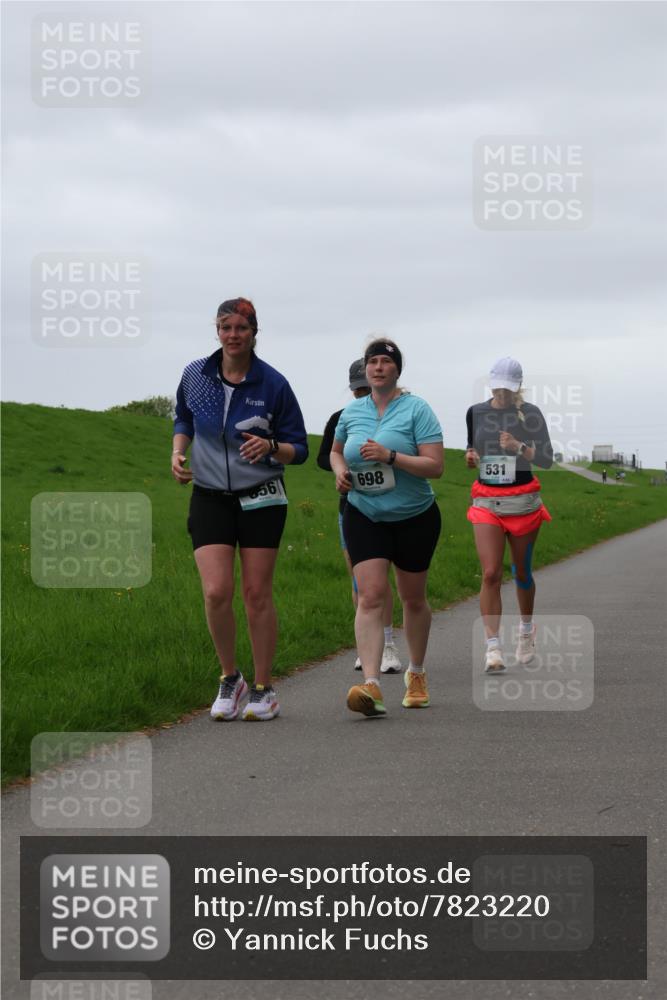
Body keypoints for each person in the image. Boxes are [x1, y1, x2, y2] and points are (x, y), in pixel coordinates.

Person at [172, 297, 308, 721]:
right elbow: (183, 418)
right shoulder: (195, 374)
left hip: (261, 496)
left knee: (255, 593)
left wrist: (270, 447)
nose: (233, 335)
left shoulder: (273, 384)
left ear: (254, 333)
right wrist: (178, 452)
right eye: (226, 327)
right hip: (210, 495)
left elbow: (299, 449)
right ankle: (231, 678)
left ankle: (264, 688)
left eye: (242, 329)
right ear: (217, 331)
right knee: (216, 591)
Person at [330, 339, 444, 717]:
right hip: (365, 513)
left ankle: (416, 672)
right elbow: (335, 450)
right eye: (372, 362)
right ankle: (372, 685)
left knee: (413, 598)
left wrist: (391, 456)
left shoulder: (417, 409)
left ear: (397, 370)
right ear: (365, 370)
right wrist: (341, 472)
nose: (378, 367)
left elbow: (435, 466)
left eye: (385, 362)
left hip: (414, 515)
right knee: (370, 595)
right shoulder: (351, 412)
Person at [465, 357, 553, 673]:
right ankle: (493, 648)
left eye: (507, 387)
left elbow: (545, 460)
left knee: (521, 572)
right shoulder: (476, 412)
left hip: (523, 502)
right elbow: (472, 448)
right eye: (497, 385)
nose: (501, 392)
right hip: (487, 500)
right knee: (490, 573)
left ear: (516, 386)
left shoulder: (530, 415)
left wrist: (518, 447)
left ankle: (526, 631)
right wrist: (471, 456)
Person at [317, 360, 401, 674]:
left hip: (392, 507)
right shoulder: (342, 418)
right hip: (353, 507)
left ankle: (389, 644)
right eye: (357, 390)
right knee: (360, 579)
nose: (362, 393)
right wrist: (344, 468)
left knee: (381, 581)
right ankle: (365, 646)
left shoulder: (396, 414)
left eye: (365, 388)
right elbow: (324, 456)